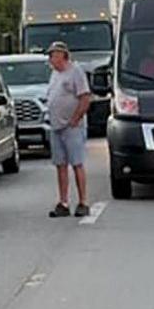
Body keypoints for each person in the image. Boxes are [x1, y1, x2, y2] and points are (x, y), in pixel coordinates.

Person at [44, 41, 93, 217]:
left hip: (72, 126)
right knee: (60, 165)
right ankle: (63, 202)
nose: (51, 59)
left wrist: (75, 118)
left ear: (63, 56)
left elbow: (85, 97)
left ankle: (83, 201)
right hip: (56, 126)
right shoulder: (54, 74)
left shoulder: (75, 72)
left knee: (77, 163)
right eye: (50, 55)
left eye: (53, 55)